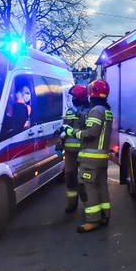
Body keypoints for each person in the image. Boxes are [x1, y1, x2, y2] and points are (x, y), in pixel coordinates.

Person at [65, 79, 113, 234]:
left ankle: (92, 221)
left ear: (93, 93)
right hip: (101, 158)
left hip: (90, 158)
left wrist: (72, 132)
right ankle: (104, 215)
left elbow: (91, 133)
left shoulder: (96, 110)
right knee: (101, 185)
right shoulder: (106, 109)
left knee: (86, 186)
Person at [59, 84, 89, 213]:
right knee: (70, 177)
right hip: (70, 153)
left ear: (81, 97)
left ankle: (88, 205)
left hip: (84, 151)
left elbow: (88, 131)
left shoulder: (90, 111)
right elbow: (65, 128)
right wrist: (60, 141)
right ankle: (72, 204)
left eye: (74, 96)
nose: (72, 99)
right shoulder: (70, 111)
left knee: (84, 181)